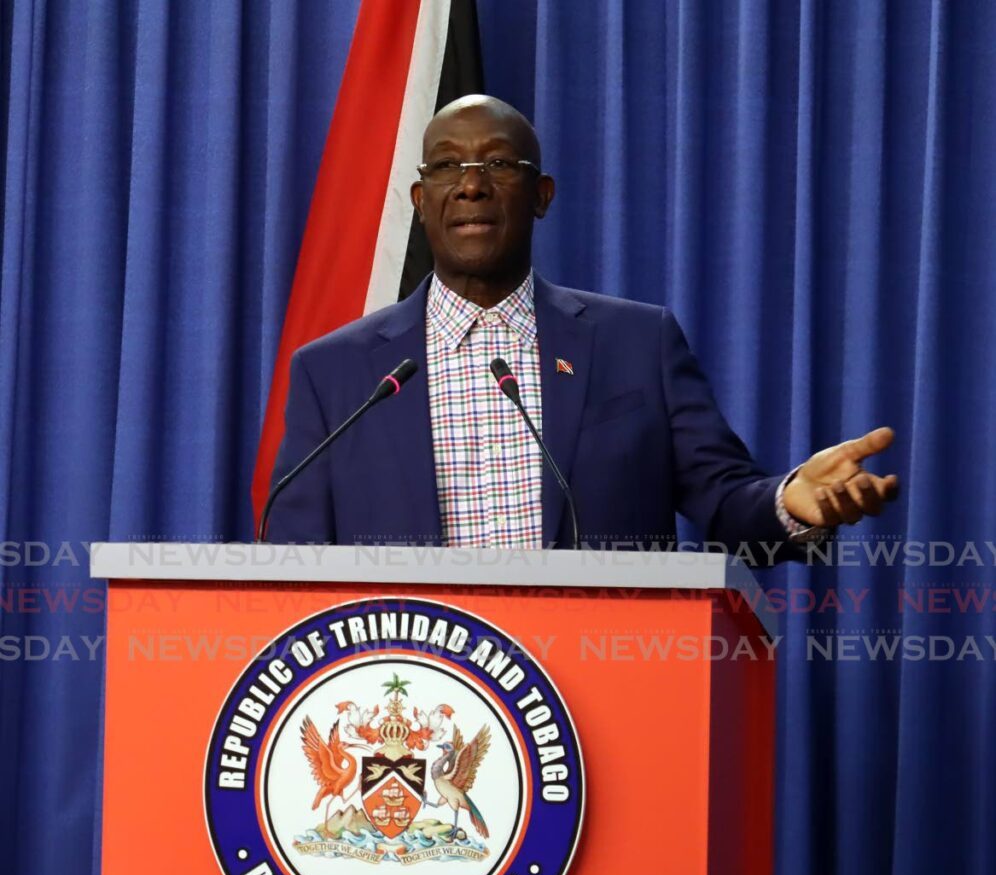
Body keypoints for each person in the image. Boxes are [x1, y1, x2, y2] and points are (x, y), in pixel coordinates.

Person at [266, 95, 898, 554]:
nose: (472, 186)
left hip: (603, 689)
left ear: (542, 196)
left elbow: (725, 500)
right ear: (420, 201)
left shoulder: (637, 345)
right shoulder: (337, 373)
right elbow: (296, 565)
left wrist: (790, 502)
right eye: (447, 168)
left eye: (499, 165)